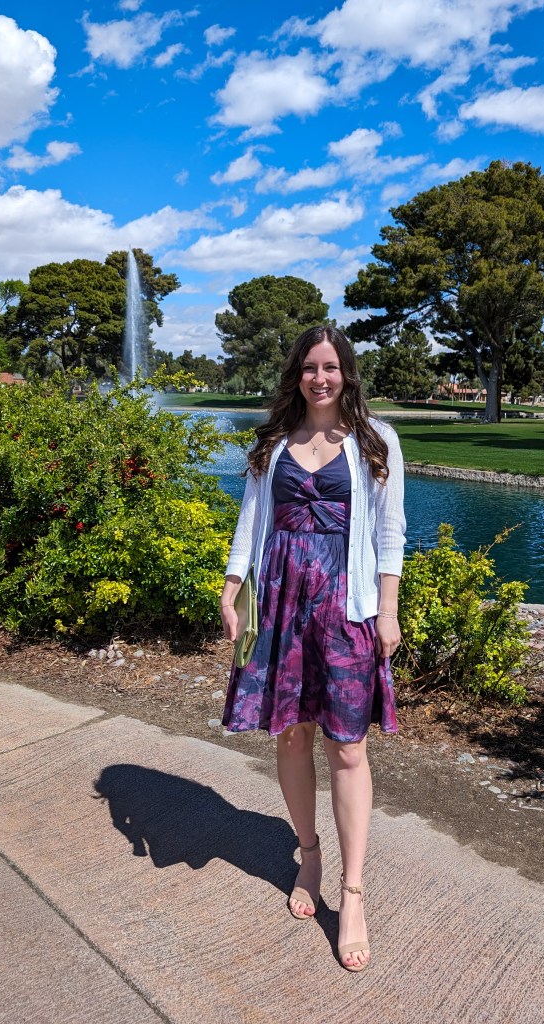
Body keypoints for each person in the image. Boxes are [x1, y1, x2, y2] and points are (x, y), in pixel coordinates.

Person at [219, 324, 406, 973]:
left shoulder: (375, 440)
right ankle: (310, 856)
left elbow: (391, 533)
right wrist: (231, 587)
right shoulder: (272, 442)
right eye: (309, 367)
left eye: (330, 367)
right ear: (296, 374)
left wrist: (388, 610)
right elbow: (249, 520)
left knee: (347, 746)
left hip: (346, 606)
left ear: (344, 373)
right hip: (280, 599)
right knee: (291, 736)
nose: (320, 378)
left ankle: (352, 894)